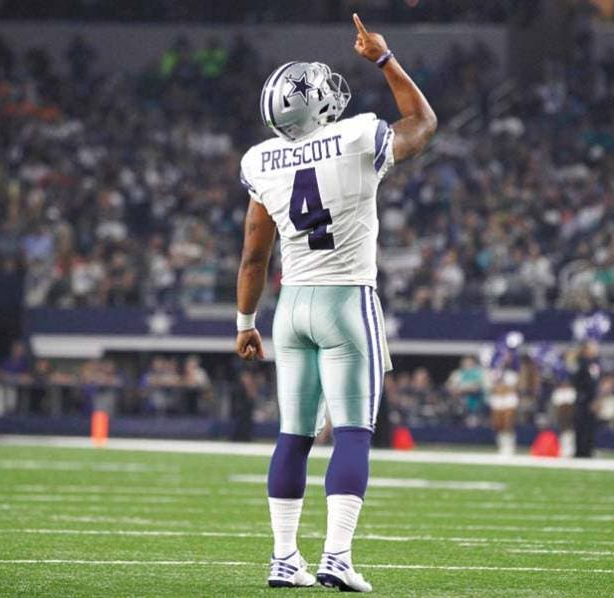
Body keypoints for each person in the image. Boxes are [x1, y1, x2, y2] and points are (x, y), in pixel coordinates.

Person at [233, 13, 436, 593]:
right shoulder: (356, 136)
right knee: (351, 432)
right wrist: (384, 58)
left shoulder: (260, 161)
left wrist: (245, 322)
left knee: (293, 434)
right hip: (347, 301)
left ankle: (283, 557)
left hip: (290, 307)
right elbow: (422, 122)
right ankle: (337, 557)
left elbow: (253, 257)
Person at [485, 334, 522, 457]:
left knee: (508, 420)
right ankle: (501, 445)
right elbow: (491, 376)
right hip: (497, 393)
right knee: (497, 423)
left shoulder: (515, 362)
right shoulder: (495, 360)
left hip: (509, 393)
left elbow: (517, 378)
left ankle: (509, 445)